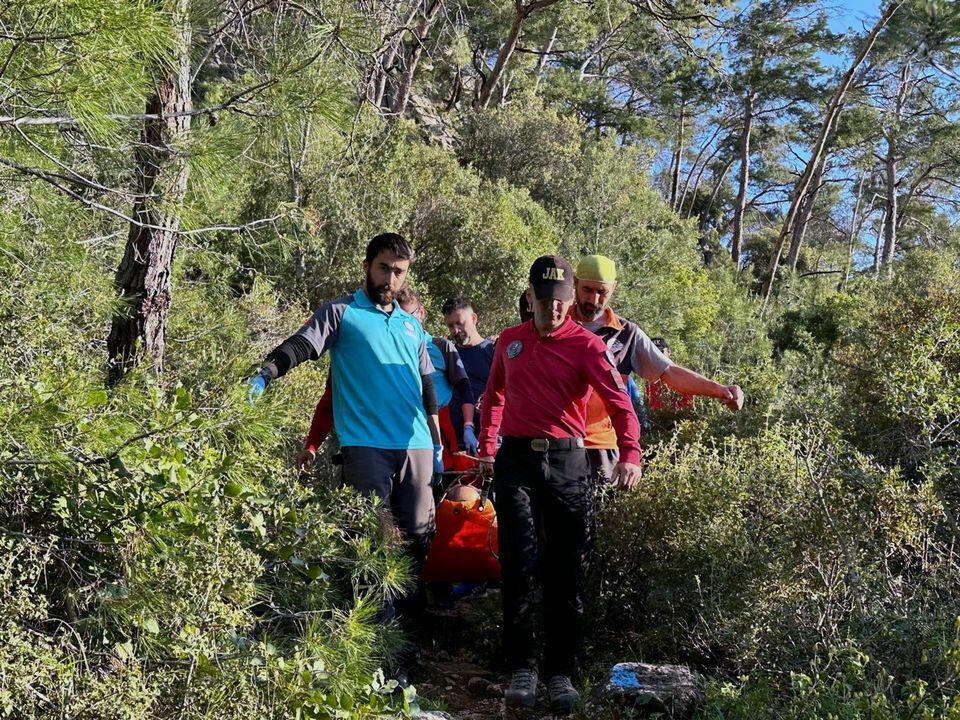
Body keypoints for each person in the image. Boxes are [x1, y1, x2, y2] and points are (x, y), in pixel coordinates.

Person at [245, 233, 442, 638]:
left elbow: (428, 390)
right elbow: (303, 345)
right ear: (368, 266)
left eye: (399, 272)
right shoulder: (342, 312)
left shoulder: (411, 326)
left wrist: (437, 445)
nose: (390, 278)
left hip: (416, 445)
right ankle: (378, 641)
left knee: (419, 539)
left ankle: (408, 636)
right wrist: (267, 373)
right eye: (384, 268)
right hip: (366, 447)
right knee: (373, 543)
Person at [477, 255, 642, 715]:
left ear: (571, 302)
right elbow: (493, 396)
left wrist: (630, 453)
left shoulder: (588, 347)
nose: (553, 311)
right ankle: (523, 667)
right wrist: (488, 447)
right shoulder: (510, 342)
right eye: (545, 302)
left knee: (567, 567)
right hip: (515, 462)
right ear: (530, 298)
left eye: (561, 304)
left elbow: (621, 405)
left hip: (569, 462)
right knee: (519, 560)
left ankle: (560, 671)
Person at [570, 254, 744, 482]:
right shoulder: (557, 324)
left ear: (613, 288)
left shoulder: (627, 333)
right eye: (587, 290)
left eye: (602, 292)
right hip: (557, 441)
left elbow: (668, 372)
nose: (594, 299)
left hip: (601, 445)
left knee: (598, 517)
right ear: (574, 284)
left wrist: (719, 390)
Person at [297, 287, 477, 471]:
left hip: (437, 437)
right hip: (373, 442)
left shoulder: (439, 347)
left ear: (421, 312)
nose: (401, 320)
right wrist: (312, 445)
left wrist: (463, 430)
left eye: (407, 315)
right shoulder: (362, 352)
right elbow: (330, 400)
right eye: (395, 314)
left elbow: (455, 391)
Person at [442, 296, 495, 456]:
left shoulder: (492, 351)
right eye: (451, 325)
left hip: (489, 441)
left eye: (460, 323)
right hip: (454, 443)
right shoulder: (447, 355)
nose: (456, 330)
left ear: (473, 318)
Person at [645, 337, 694, 411]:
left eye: (660, 351)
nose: (657, 355)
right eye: (653, 352)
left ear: (669, 351)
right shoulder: (649, 378)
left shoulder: (680, 375)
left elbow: (688, 405)